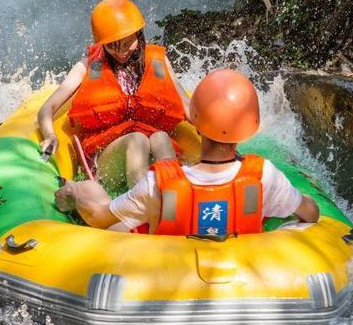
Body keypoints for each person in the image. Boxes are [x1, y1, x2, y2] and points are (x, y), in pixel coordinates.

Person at [55, 69, 320, 234]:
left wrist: (75, 194)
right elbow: (311, 213)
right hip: (239, 276)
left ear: (195, 120)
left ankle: (74, 192)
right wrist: (291, 195)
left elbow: (100, 218)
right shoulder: (265, 177)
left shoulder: (157, 183)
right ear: (248, 127)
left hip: (163, 267)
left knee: (93, 197)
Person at [37, 0, 190, 189]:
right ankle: (139, 210)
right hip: (107, 158)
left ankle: (173, 203)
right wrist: (50, 134)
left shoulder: (158, 62)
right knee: (137, 139)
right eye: (112, 46)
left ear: (139, 35)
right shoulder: (89, 66)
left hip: (150, 150)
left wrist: (218, 138)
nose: (121, 52)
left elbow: (187, 107)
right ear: (103, 44)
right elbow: (46, 108)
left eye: (127, 44)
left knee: (161, 137)